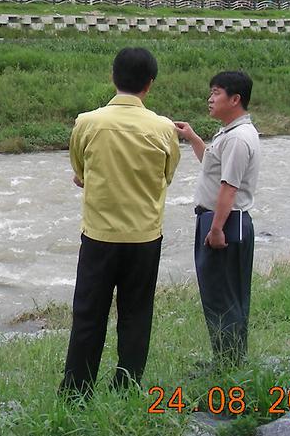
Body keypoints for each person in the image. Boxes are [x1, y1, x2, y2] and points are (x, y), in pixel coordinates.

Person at [61, 47, 181, 395]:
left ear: (113, 77)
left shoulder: (87, 122)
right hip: (144, 238)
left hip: (99, 236)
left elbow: (80, 172)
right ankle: (126, 387)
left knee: (88, 315)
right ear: (150, 84)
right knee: (136, 314)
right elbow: (167, 175)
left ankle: (76, 391)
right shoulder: (164, 128)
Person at [174, 71, 261, 367]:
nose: (210, 99)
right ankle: (228, 360)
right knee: (222, 295)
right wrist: (193, 138)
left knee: (222, 297)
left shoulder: (238, 138)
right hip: (221, 221)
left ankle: (228, 364)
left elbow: (229, 187)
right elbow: (212, 165)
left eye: (216, 93)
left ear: (235, 99)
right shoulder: (229, 133)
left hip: (225, 223)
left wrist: (216, 229)